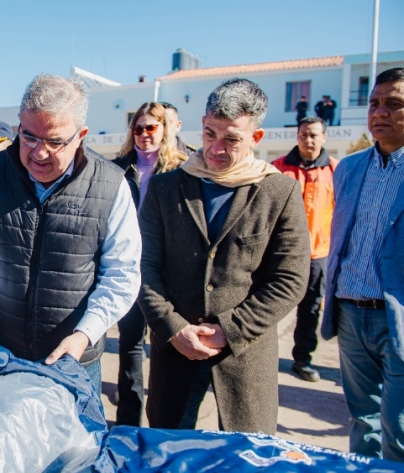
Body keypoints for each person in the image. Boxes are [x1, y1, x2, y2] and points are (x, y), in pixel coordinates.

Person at [0, 74, 142, 395]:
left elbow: (122, 276)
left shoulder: (112, 186)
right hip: (3, 351)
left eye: (55, 141)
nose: (39, 153)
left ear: (81, 136)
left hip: (74, 359)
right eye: (29, 137)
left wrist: (83, 335)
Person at [138, 78, 310, 434]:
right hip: (176, 352)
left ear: (255, 138)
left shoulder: (279, 191)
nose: (216, 148)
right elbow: (143, 268)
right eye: (210, 133)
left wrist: (229, 331)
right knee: (168, 453)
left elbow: (290, 278)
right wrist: (173, 328)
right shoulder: (165, 188)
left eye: (231, 138)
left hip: (245, 356)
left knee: (248, 458)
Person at [321, 67, 404, 462]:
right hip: (351, 312)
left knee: (399, 428)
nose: (380, 112)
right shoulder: (350, 169)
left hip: (397, 318)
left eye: (395, 104)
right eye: (374, 103)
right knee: (363, 421)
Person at [112, 102, 188, 426]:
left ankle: (160, 423)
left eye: (151, 128)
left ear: (165, 130)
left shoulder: (181, 169)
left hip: (163, 275)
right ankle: (128, 423)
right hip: (127, 268)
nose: (143, 134)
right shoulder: (117, 168)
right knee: (129, 346)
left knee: (162, 348)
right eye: (138, 128)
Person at [272, 116, 337, 382]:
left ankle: (302, 359)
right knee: (270, 305)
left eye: (313, 135)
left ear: (324, 137)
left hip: (318, 254)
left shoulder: (336, 170)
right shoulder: (278, 168)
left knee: (310, 310)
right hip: (279, 254)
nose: (308, 140)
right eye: (303, 135)